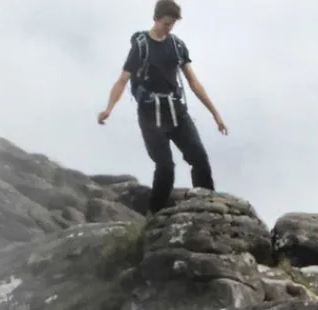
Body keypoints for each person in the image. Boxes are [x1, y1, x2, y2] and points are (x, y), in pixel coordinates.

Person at [97, 1, 228, 214]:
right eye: (166, 23)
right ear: (156, 19)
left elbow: (193, 82)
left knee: (199, 158)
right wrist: (108, 109)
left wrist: (216, 114)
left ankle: (208, 208)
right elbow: (122, 80)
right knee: (166, 167)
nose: (169, 28)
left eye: (173, 23)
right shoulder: (141, 47)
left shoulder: (177, 46)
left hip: (176, 111)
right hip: (151, 114)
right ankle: (155, 214)